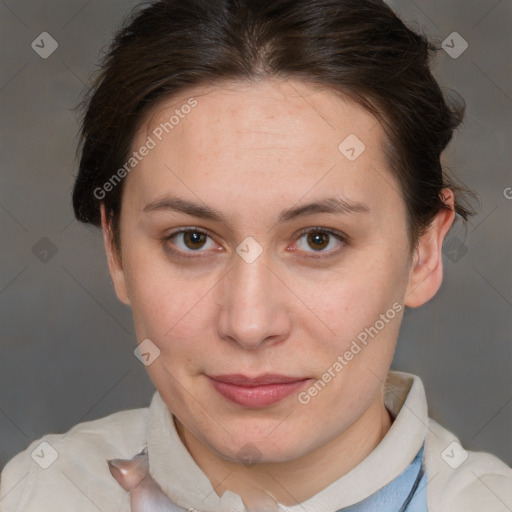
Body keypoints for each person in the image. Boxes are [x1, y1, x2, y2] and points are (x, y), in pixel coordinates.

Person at [1, 0, 511, 511]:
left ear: (422, 252)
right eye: (192, 239)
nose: (248, 324)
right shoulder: (34, 494)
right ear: (115, 250)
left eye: (318, 239)